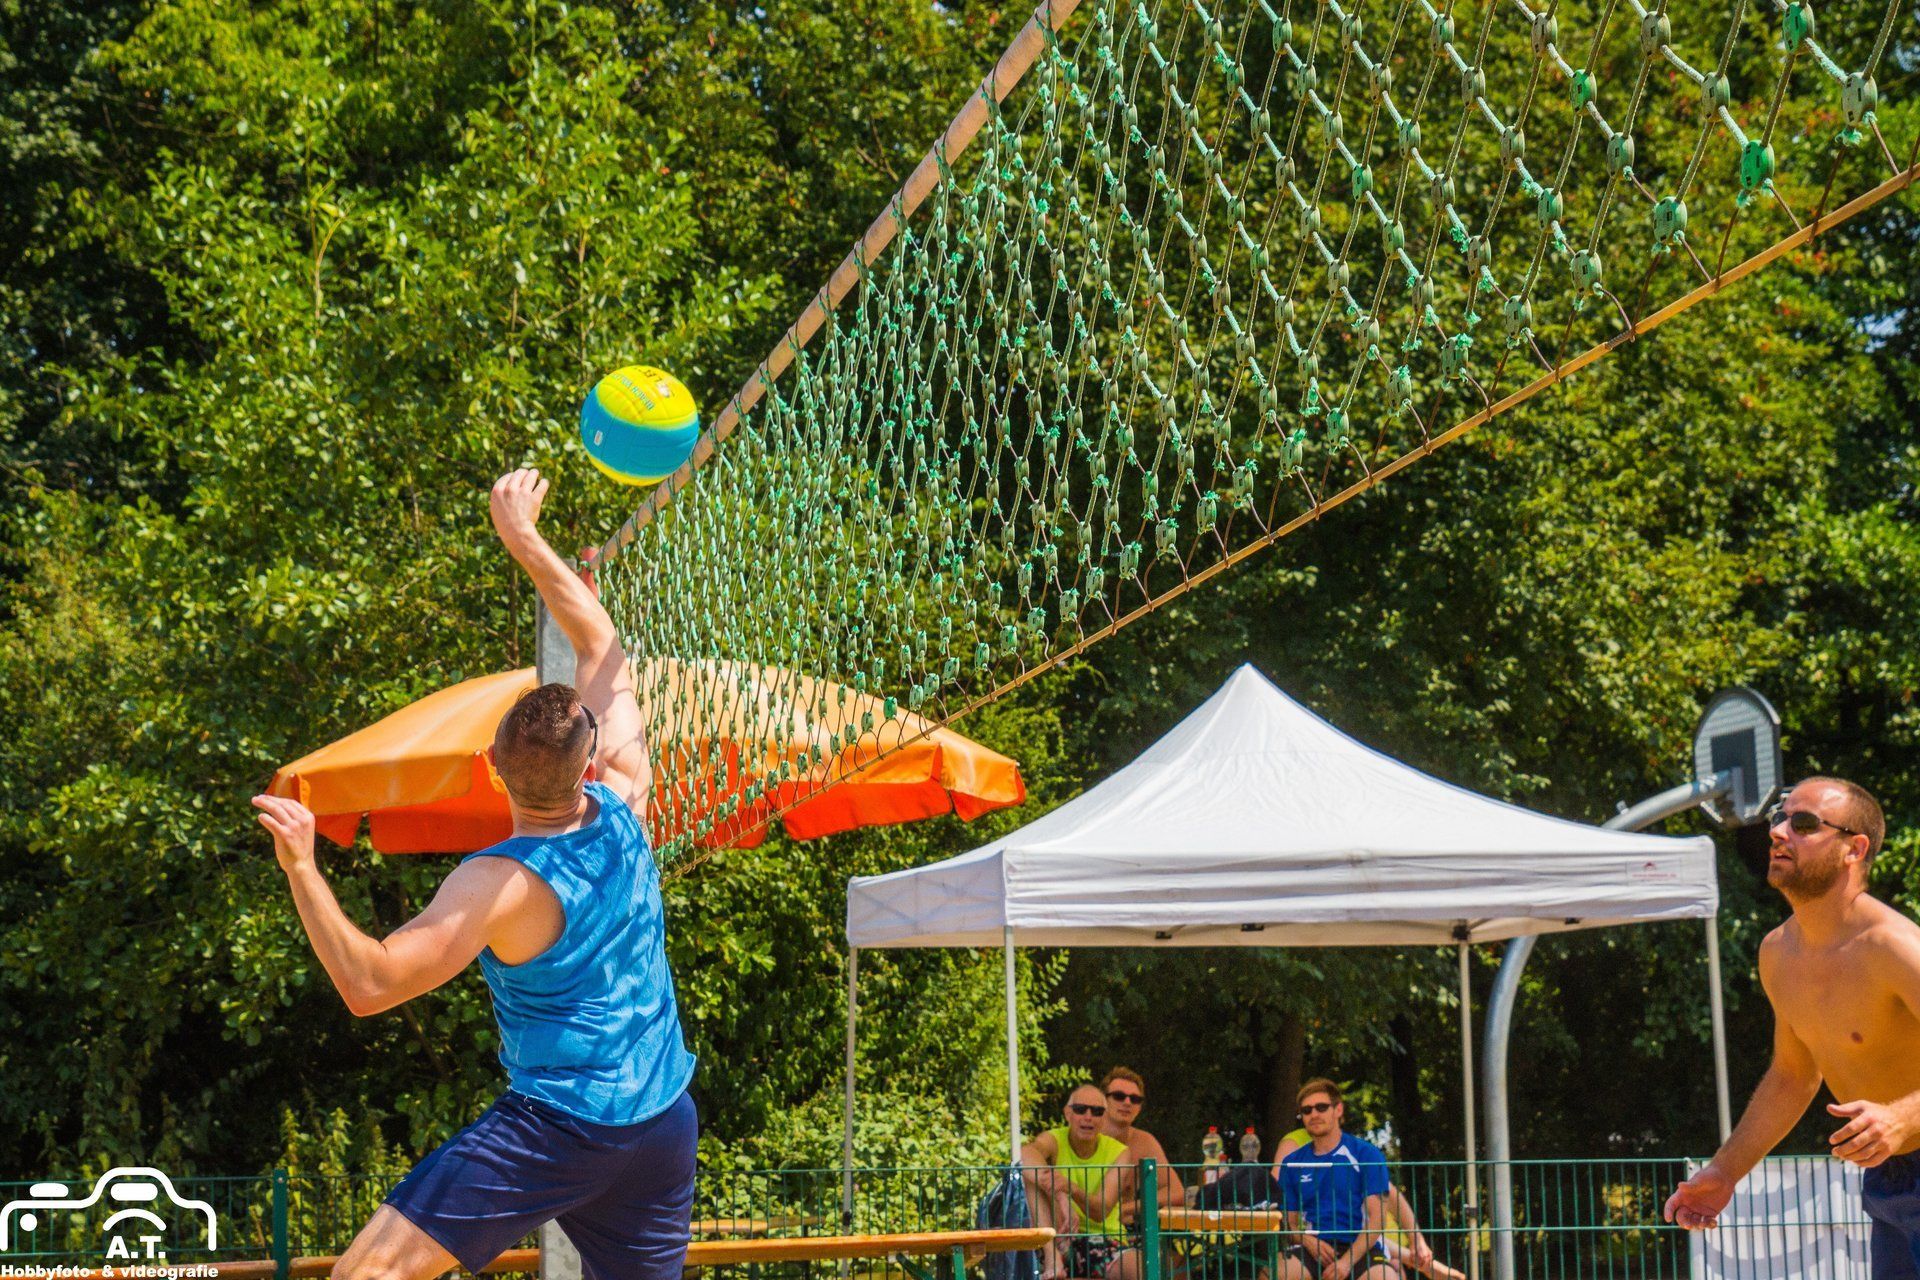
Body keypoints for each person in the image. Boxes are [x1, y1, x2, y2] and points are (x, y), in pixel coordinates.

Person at [250, 468, 697, 1280]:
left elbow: (369, 985)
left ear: (492, 768)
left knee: (364, 1276)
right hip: (661, 1119)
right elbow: (600, 646)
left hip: (562, 1126)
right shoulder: (629, 800)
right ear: (590, 762)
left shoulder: (496, 884)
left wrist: (302, 866)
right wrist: (524, 538)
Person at [1665, 777, 1920, 1277]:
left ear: (1854, 849)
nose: (1779, 832)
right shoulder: (1778, 953)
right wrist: (1725, 1172)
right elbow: (1792, 1075)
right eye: (1780, 818)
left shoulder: (1895, 947)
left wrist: (1903, 1117)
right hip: (1889, 1181)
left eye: (1803, 824)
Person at [1273, 1080, 1399, 1280]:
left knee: (1385, 1277)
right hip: (1314, 1248)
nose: (1314, 1114)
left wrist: (1346, 1263)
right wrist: (1307, 1241)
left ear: (1338, 1109)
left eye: (1321, 1107)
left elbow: (1377, 1220)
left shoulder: (1367, 1154)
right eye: (1306, 1110)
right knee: (1274, 1273)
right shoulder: (1292, 1162)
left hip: (1361, 1248)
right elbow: (1289, 1225)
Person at [1022, 1083, 1143, 1280]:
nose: (1088, 1116)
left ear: (1104, 1118)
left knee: (1138, 1267)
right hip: (1060, 1238)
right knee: (1031, 1178)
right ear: (1067, 1113)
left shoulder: (1119, 1152)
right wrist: (1060, 1195)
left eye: (1097, 1111)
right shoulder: (1054, 1139)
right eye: (1080, 1109)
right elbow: (1025, 1153)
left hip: (1105, 1240)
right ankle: (1052, 1258)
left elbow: (1101, 1211)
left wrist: (1070, 1189)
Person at [1100, 1067, 1185, 1222]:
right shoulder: (1084, 1136)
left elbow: (1176, 1192)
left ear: (1139, 1108)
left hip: (1123, 1232)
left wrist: (1125, 1209)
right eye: (1119, 1096)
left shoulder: (1144, 1141)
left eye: (1135, 1099)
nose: (1127, 1102)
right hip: (1079, 1231)